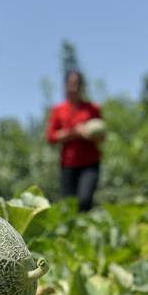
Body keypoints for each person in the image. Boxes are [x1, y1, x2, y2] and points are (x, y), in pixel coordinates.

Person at [46, 70, 104, 212]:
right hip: (68, 165)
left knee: (84, 200)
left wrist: (89, 134)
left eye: (76, 84)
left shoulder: (92, 109)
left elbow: (102, 137)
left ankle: (85, 231)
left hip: (90, 164)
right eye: (70, 84)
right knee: (69, 205)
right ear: (65, 86)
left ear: (82, 86)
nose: (73, 87)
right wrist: (74, 133)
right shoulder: (58, 110)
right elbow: (51, 137)